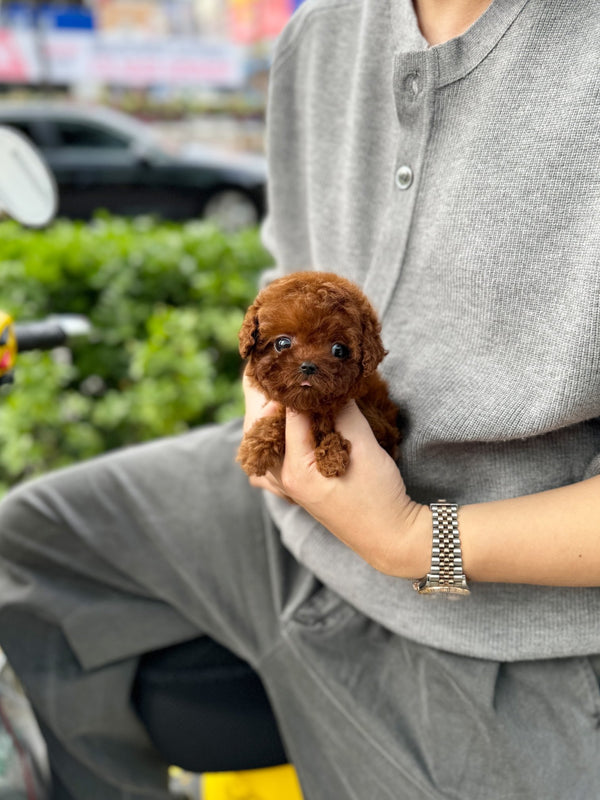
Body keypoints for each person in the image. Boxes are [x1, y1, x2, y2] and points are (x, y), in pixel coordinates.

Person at [1, 0, 600, 797]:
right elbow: (283, 281)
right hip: (274, 516)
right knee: (33, 547)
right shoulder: (320, 31)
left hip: (507, 631)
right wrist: (265, 412)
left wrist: (415, 541)